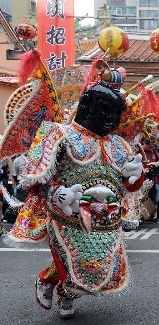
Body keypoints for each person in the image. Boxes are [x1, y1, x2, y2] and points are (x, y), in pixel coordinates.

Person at [2, 64, 144, 318]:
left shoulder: (120, 145)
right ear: (88, 106)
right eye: (104, 110)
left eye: (114, 112)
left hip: (106, 220)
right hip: (66, 216)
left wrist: (136, 175)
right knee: (68, 261)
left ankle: (66, 295)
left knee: (96, 266)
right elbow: (33, 178)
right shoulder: (59, 134)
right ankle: (47, 280)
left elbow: (128, 187)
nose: (110, 118)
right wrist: (55, 193)